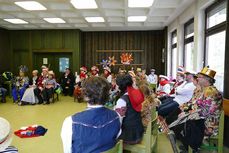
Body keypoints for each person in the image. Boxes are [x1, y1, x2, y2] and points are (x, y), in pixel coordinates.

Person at [61, 77, 121, 153]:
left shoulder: (70, 122)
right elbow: (116, 137)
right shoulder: (117, 116)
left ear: (85, 96)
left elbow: (67, 151)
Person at [171, 67, 222, 152]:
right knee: (179, 118)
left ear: (207, 79)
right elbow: (195, 105)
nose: (197, 78)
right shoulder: (204, 89)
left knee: (183, 122)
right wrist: (186, 111)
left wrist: (187, 114)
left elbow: (205, 112)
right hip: (201, 118)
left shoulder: (211, 92)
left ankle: (192, 147)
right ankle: (188, 145)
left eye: (200, 77)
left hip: (209, 123)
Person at [114, 74, 144, 144]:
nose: (116, 86)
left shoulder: (122, 101)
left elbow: (118, 120)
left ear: (120, 86)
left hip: (130, 136)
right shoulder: (135, 94)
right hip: (138, 131)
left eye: (117, 84)